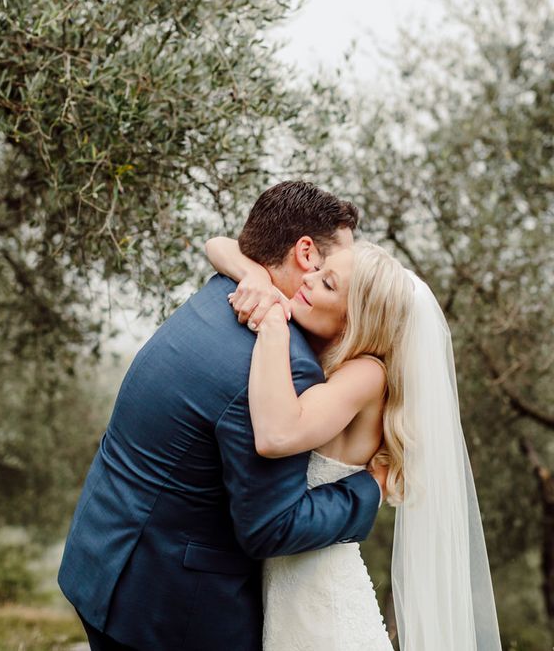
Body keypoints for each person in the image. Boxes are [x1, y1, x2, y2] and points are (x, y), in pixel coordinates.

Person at [58, 181, 384, 651]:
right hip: (171, 609)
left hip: (104, 555)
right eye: (336, 266)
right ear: (307, 254)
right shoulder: (286, 364)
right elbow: (272, 526)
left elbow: (223, 247)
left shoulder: (226, 291)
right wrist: (369, 489)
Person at [205, 235, 502, 650]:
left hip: (322, 608)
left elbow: (276, 436)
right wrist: (254, 274)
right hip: (291, 594)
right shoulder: (329, 359)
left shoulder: (367, 375)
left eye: (328, 285)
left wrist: (272, 323)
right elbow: (217, 243)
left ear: (355, 319)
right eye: (317, 272)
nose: (307, 281)